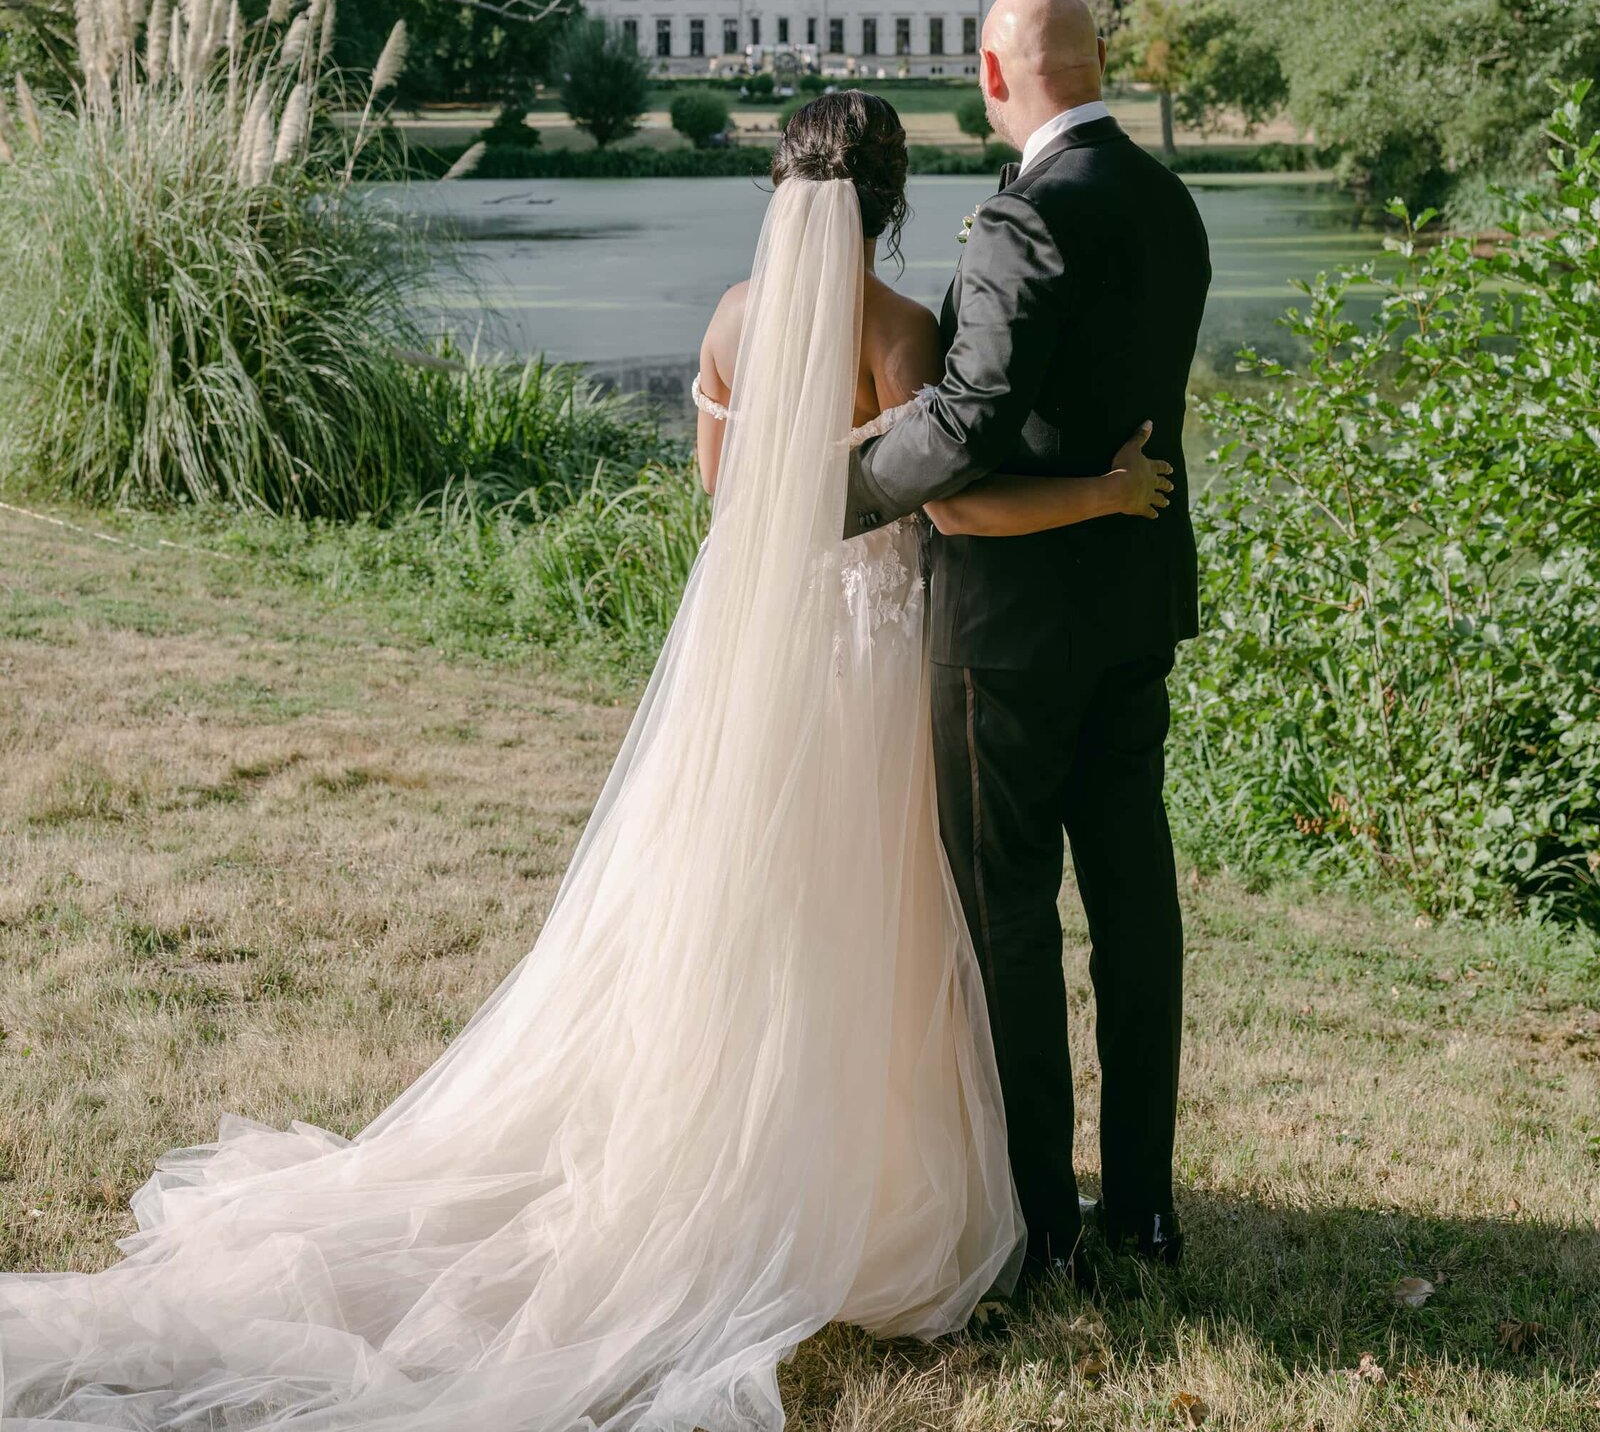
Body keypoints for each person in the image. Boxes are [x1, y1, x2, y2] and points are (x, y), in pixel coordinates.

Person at [0, 86, 1170, 1432]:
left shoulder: (736, 321)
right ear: (896, 198)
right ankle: (859, 1179)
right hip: (872, 654)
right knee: (878, 920)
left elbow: (718, 494)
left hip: (760, 652)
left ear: (781, 193)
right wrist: (1096, 492)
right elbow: (951, 499)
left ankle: (733, 1148)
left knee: (743, 912)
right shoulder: (904, 331)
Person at [845, 0, 1213, 1285]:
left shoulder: (1023, 216)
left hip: (1009, 629)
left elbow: (969, 421)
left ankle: (1043, 1221)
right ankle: (1148, 1211)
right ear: (1094, 65)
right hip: (1134, 604)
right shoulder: (1169, 202)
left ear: (994, 81)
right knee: (1133, 902)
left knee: (1007, 914)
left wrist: (826, 489)